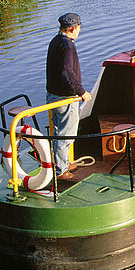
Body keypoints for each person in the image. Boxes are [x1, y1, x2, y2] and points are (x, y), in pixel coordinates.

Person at [46, 12, 91, 179]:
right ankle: (61, 171)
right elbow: (67, 72)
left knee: (59, 131)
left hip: (53, 96)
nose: (79, 31)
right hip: (65, 99)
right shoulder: (68, 46)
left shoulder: (55, 41)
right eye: (78, 28)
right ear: (73, 28)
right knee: (67, 135)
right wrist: (82, 92)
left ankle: (62, 162)